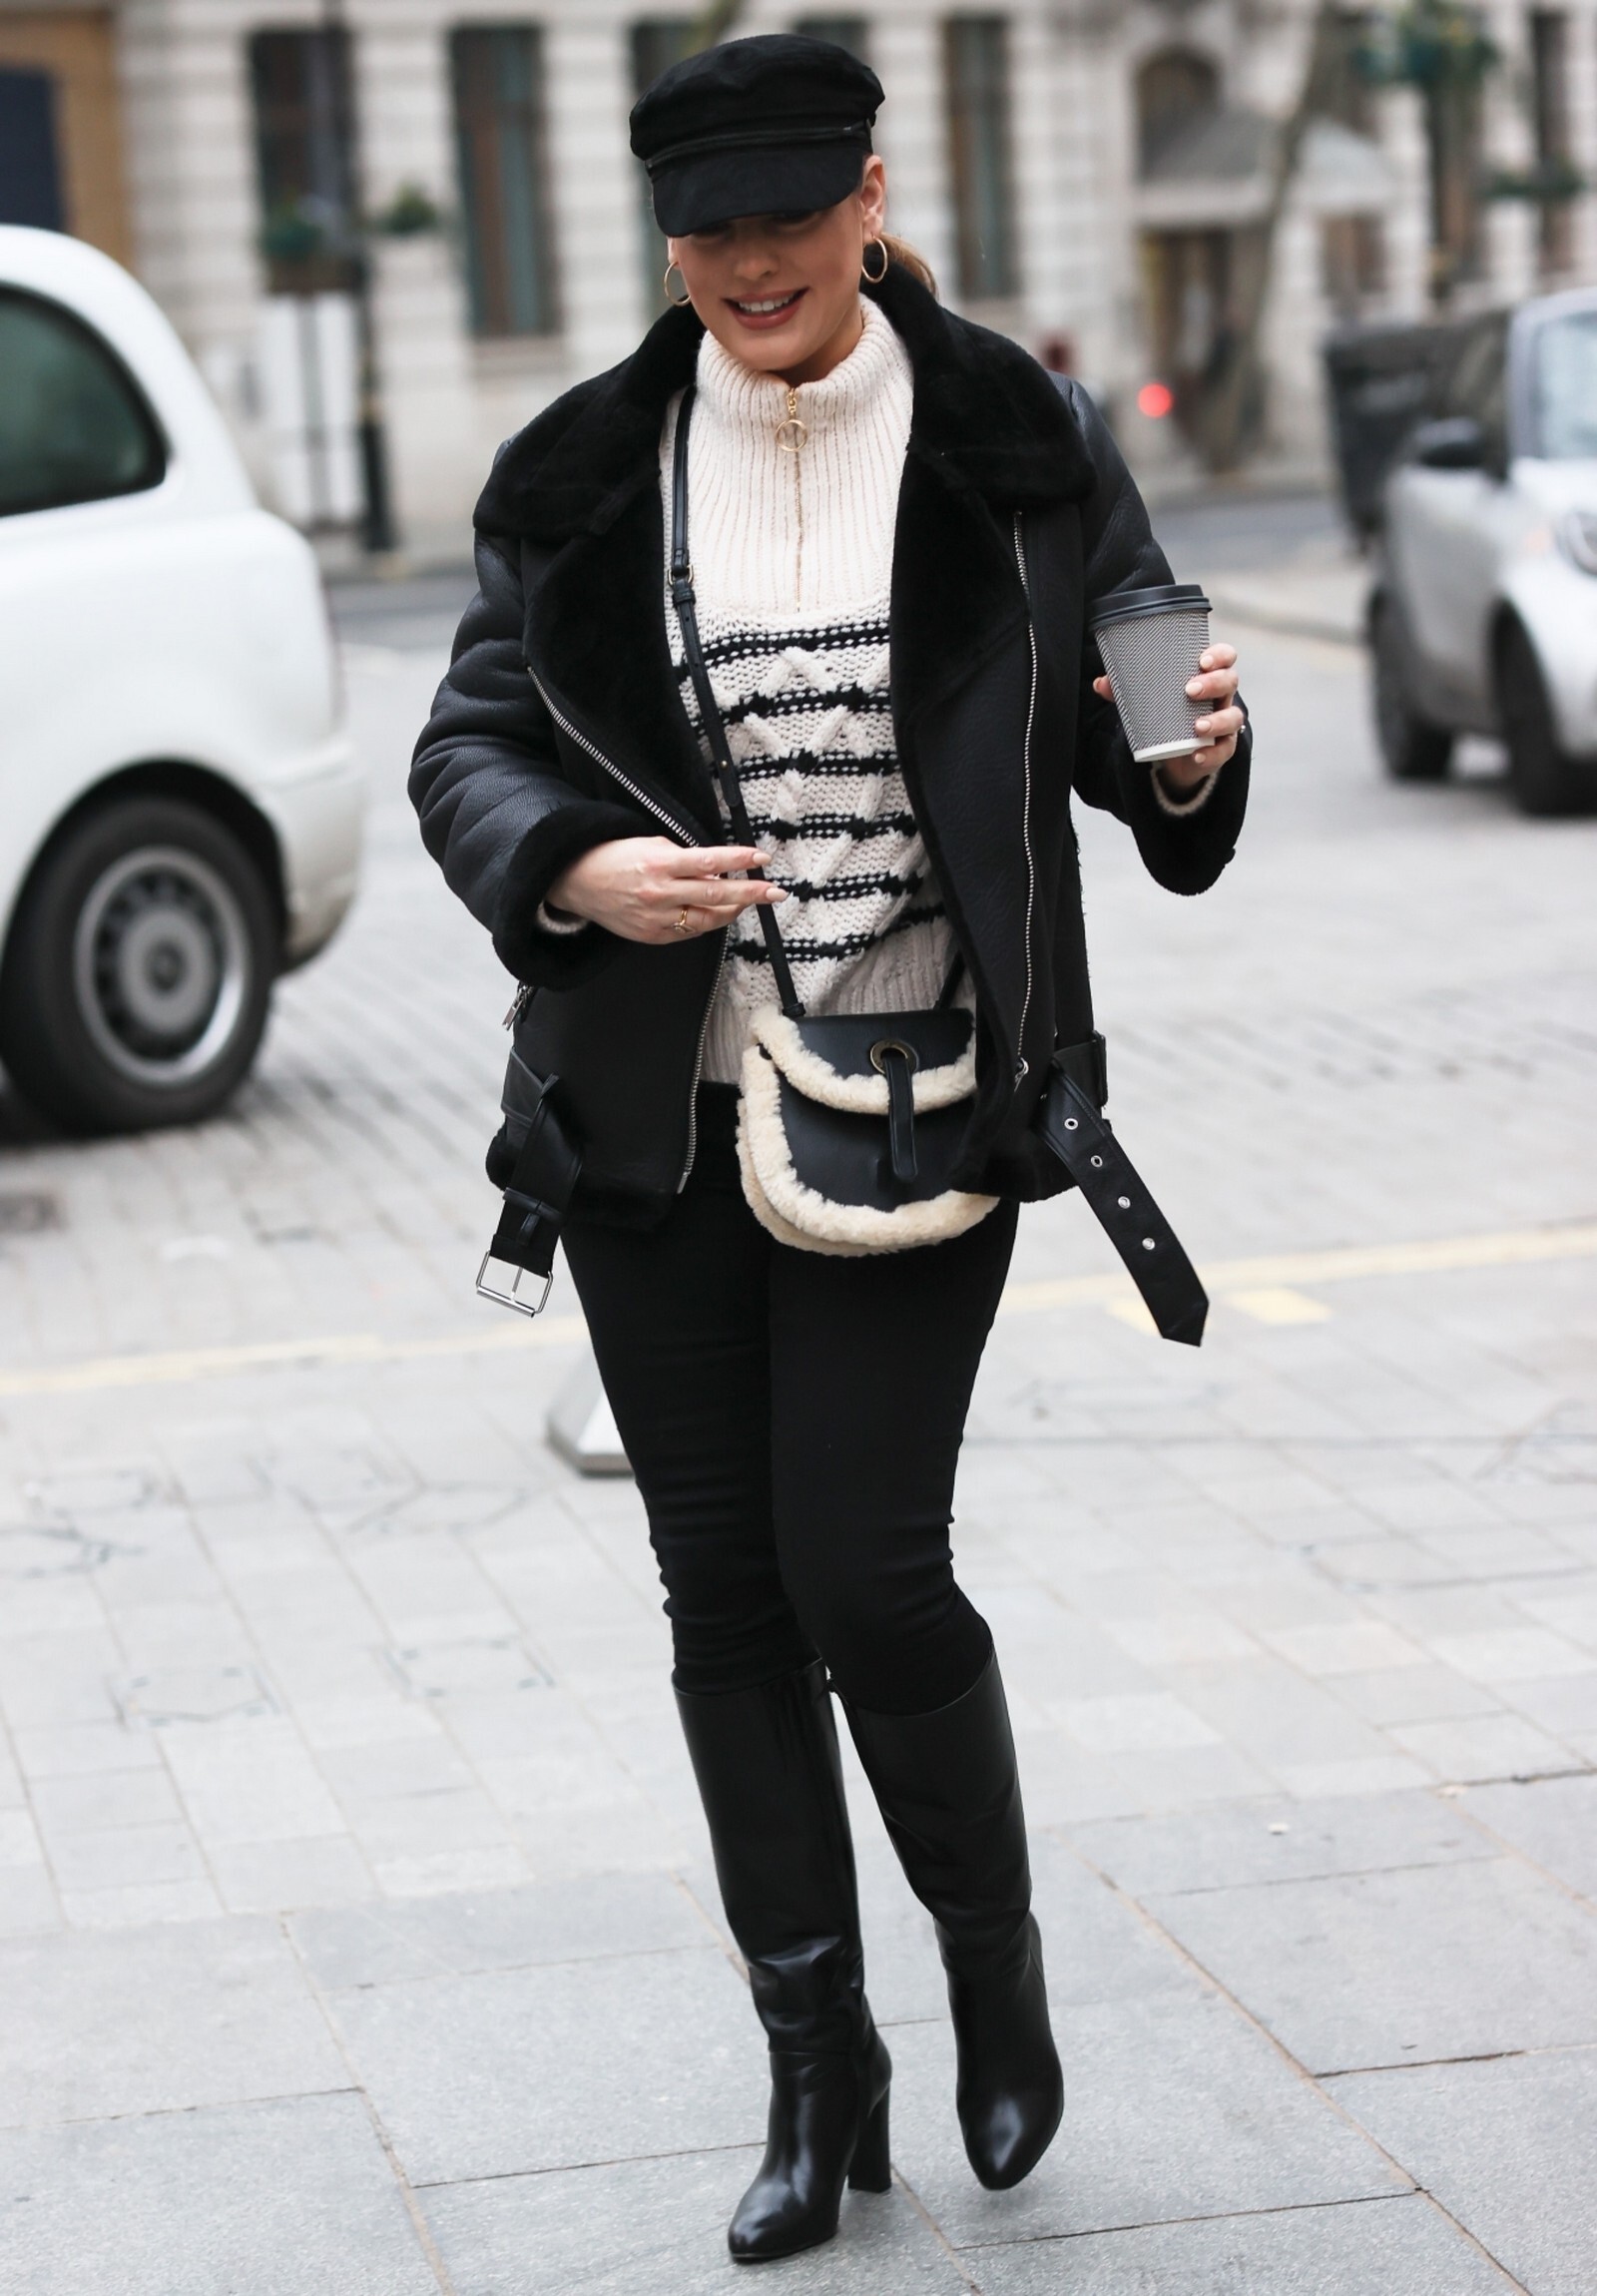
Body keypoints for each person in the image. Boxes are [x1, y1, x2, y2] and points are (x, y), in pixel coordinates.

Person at [410, 32, 1250, 2267]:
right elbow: (469, 745)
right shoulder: (582, 471)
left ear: (871, 199)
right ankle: (816, 2065)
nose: (749, 264)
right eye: (707, 231)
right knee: (724, 1599)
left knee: (865, 1570)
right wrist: (573, 867)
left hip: (923, 1103)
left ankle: (991, 1969)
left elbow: (1147, 733)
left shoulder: (1015, 443)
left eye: (788, 218)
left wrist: (1183, 755)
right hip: (648, 1123)